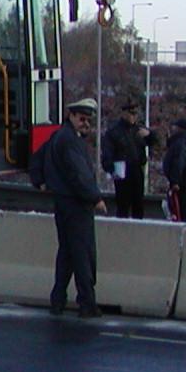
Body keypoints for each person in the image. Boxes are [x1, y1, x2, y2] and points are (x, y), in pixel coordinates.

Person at [45, 97, 106, 318]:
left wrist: (41, 181)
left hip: (64, 203)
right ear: (70, 116)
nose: (86, 123)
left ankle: (58, 300)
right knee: (82, 255)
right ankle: (87, 303)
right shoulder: (70, 141)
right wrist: (95, 197)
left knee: (68, 255)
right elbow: (79, 174)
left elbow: (40, 159)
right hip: (76, 205)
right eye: (82, 118)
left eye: (88, 120)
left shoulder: (60, 136)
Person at [100, 99, 156, 219]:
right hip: (122, 172)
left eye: (135, 114)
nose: (133, 117)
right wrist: (109, 166)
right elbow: (107, 152)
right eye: (131, 113)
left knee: (138, 205)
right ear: (124, 113)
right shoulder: (114, 131)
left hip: (136, 169)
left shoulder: (139, 129)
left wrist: (149, 135)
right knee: (123, 206)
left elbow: (155, 142)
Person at [162, 117, 186, 222]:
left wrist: (175, 181)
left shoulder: (182, 143)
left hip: (183, 183)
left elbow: (179, 162)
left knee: (182, 211)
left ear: (179, 128)